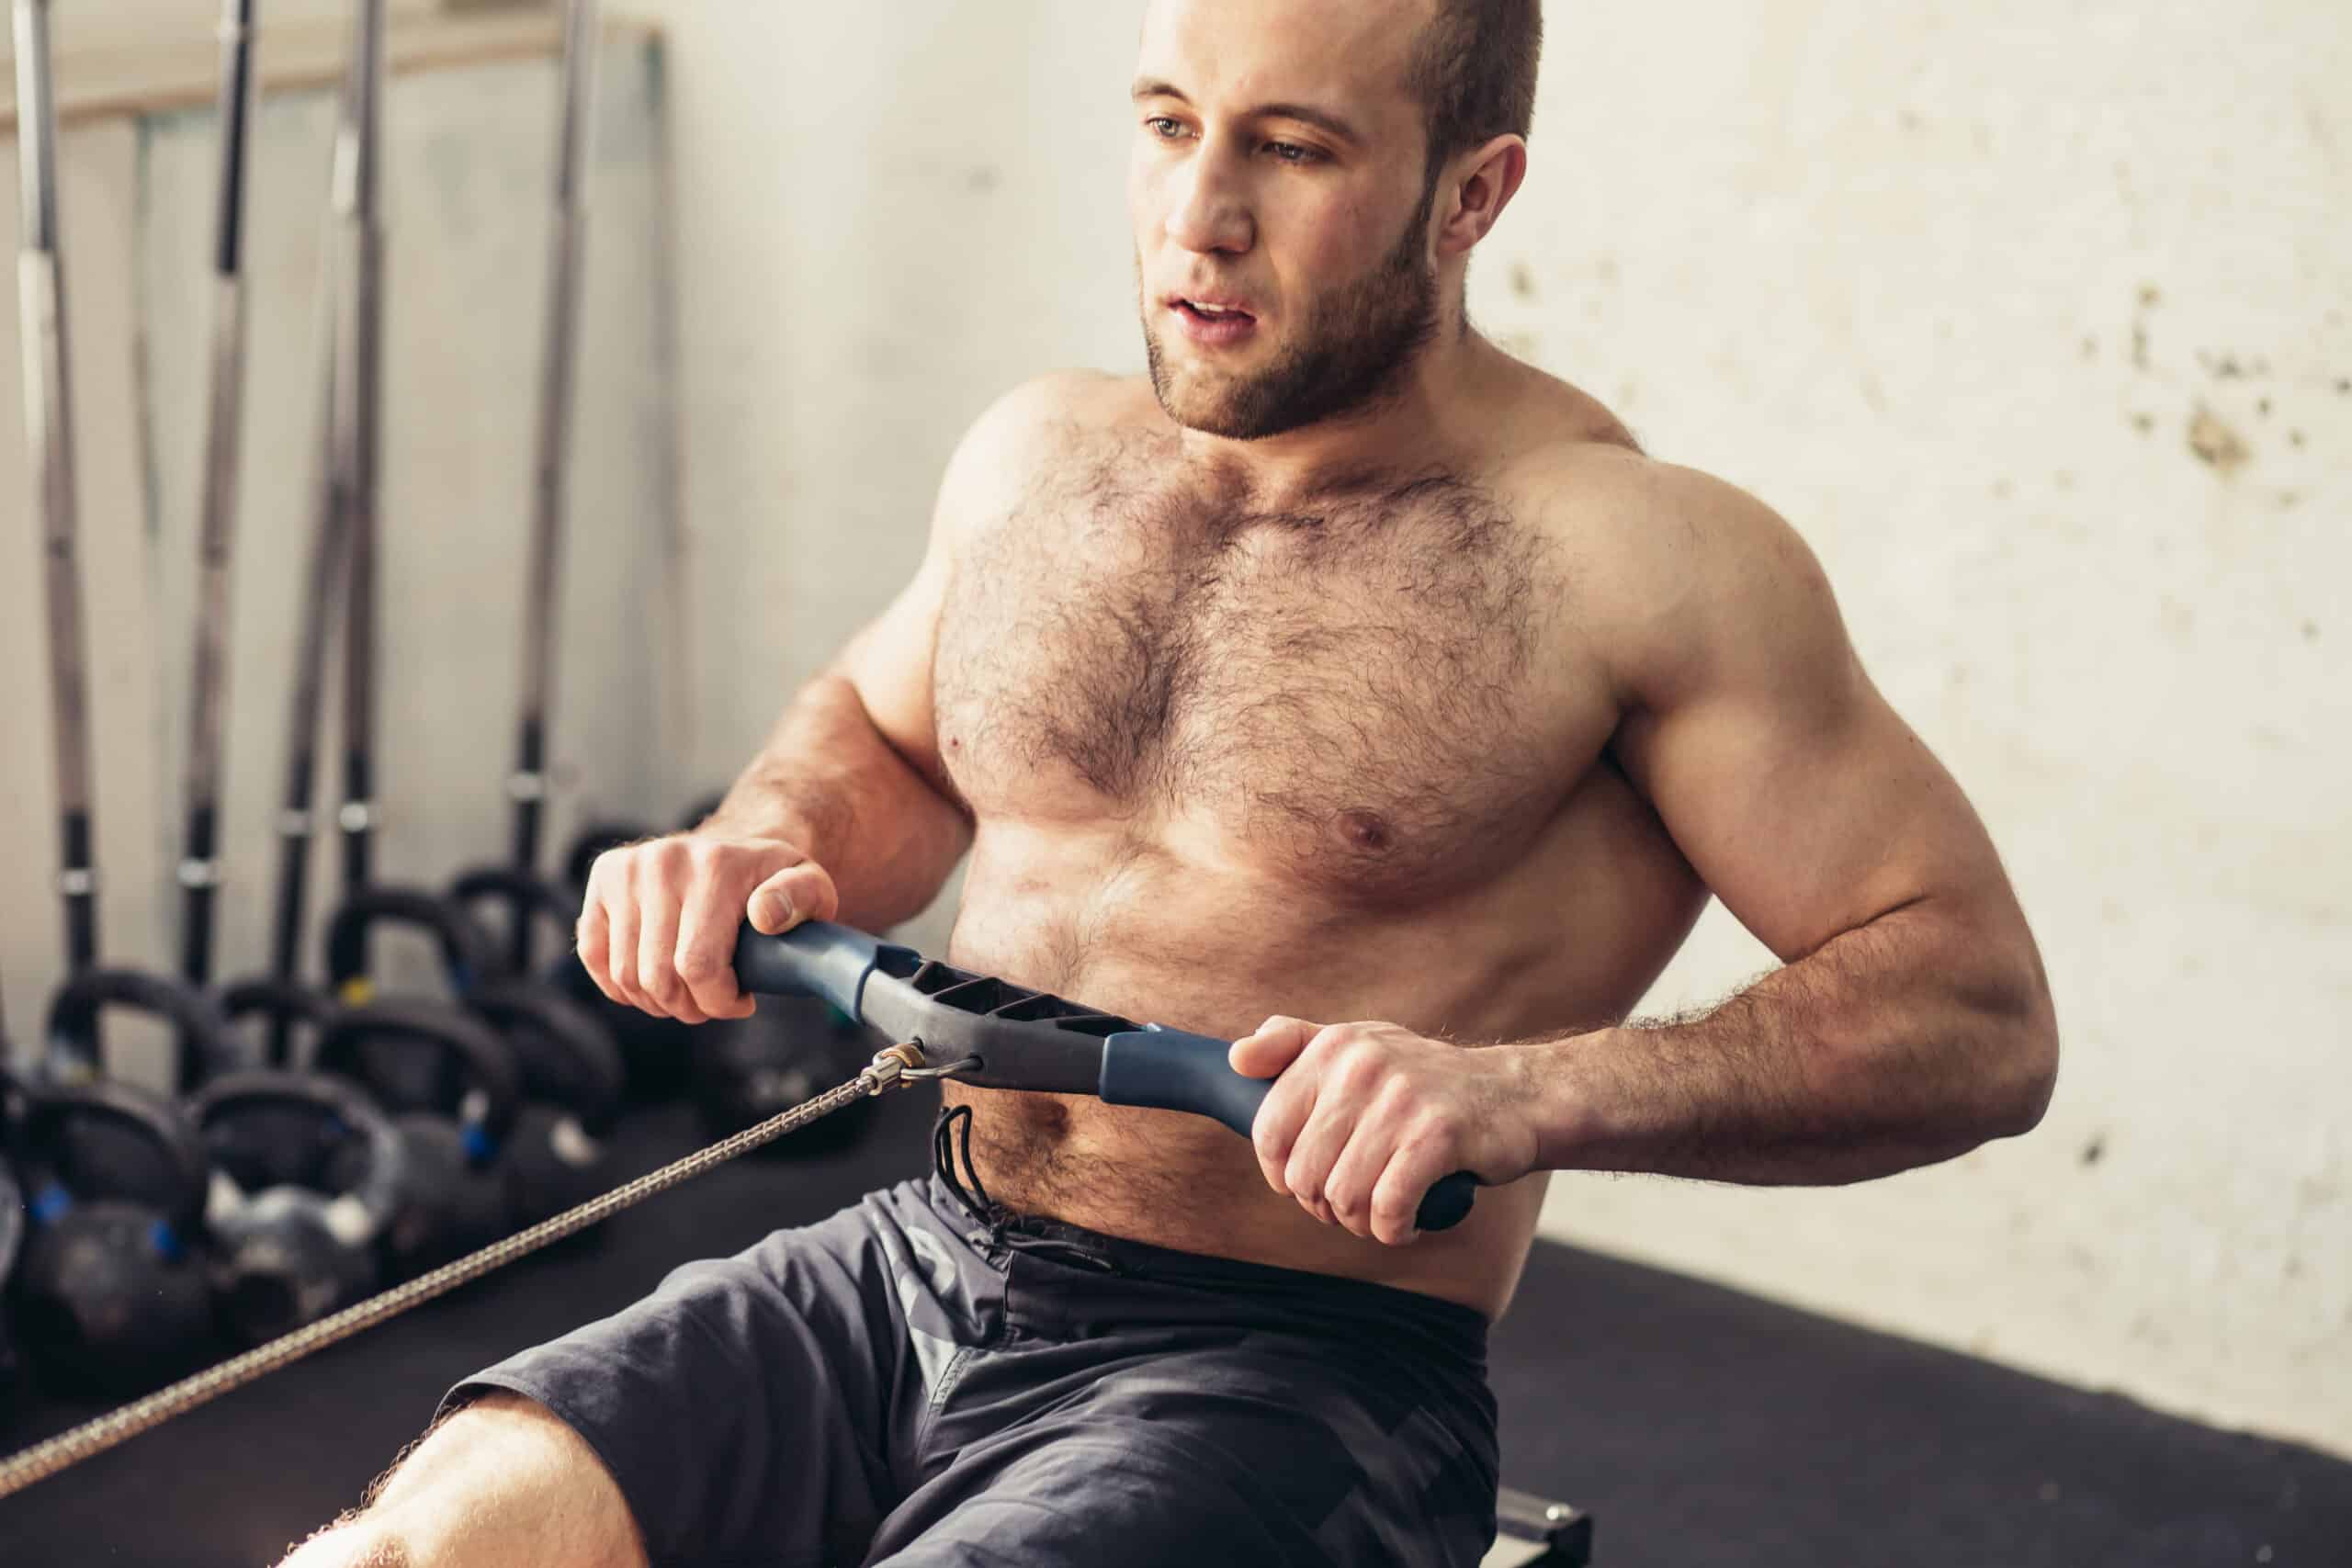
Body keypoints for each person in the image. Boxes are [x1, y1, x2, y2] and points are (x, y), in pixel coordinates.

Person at [282, 0, 2057, 1562]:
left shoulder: (1636, 564)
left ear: (1473, 193)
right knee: (411, 1548)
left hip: (1290, 1366)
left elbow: (1973, 1013)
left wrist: (1527, 1093)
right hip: (917, 1259)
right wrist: (763, 841)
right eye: (1165, 126)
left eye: (1291, 151)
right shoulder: (1041, 456)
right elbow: (886, 740)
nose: (1199, 221)